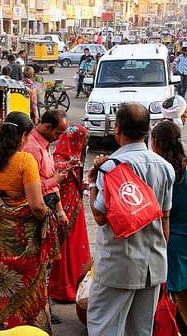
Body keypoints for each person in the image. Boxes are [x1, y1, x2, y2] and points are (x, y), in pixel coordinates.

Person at [87, 103, 175, 336]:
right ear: (147, 129)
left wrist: (91, 183)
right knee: (141, 329)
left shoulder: (111, 167)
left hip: (119, 263)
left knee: (104, 326)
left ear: (117, 129)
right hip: (153, 264)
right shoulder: (165, 167)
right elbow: (165, 218)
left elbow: (99, 216)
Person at [0, 112, 60, 335]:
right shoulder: (24, 161)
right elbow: (37, 206)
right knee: (27, 293)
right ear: (22, 136)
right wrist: (48, 222)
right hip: (21, 239)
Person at [23, 109, 69, 325]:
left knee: (46, 262)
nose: (59, 138)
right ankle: (39, 310)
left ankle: (43, 307)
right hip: (39, 207)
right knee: (41, 263)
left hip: (49, 205)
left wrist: (59, 210)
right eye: (58, 133)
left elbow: (50, 179)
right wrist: (55, 180)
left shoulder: (44, 145)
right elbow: (32, 188)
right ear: (48, 127)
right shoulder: (31, 147)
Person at [151, 120, 187, 335]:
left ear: (155, 143)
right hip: (181, 242)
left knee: (171, 299)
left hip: (168, 242)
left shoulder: (159, 173)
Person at [49, 125, 91, 302]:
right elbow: (54, 176)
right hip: (64, 209)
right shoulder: (60, 158)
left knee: (75, 244)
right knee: (65, 245)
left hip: (75, 206)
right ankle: (63, 287)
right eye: (83, 140)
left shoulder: (75, 156)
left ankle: (76, 284)